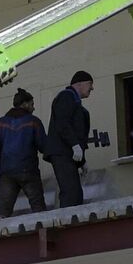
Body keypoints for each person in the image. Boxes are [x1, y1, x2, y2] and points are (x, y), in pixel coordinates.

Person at [0, 90, 53, 217]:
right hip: (28, 170)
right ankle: (43, 234)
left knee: (4, 211)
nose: (34, 107)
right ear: (24, 104)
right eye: (32, 104)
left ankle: (1, 235)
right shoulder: (33, 122)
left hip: (7, 172)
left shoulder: (2, 122)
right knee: (39, 210)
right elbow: (44, 146)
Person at [47, 72, 94, 208]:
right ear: (79, 84)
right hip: (62, 154)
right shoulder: (66, 97)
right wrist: (75, 145)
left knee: (75, 193)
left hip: (66, 154)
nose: (92, 88)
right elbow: (63, 123)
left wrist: (82, 160)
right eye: (90, 84)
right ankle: (68, 225)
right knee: (71, 193)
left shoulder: (77, 105)